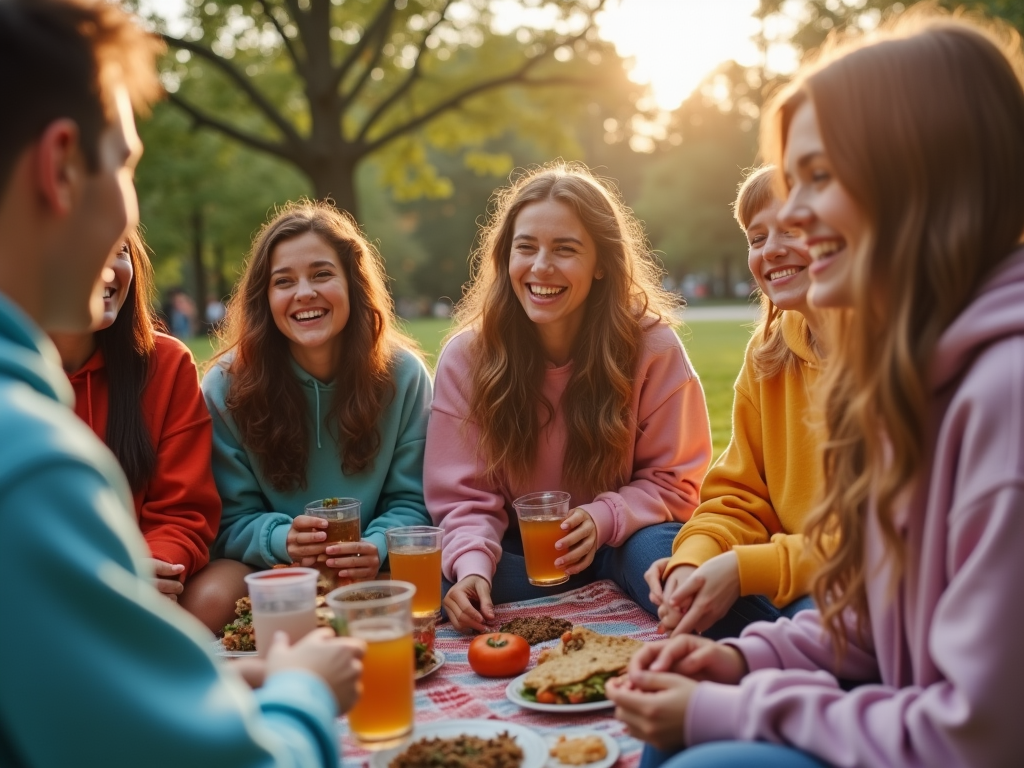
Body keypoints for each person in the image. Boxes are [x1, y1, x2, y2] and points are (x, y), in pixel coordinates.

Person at [607, 10, 1024, 768]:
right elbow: (883, 611)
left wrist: (738, 704)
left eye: (818, 179)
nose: (789, 217)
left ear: (921, 171)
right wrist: (745, 662)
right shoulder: (915, 369)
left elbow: (979, 737)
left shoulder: (1004, 396)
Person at [0, 2, 365, 766]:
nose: (129, 210)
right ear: (62, 167)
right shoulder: (29, 465)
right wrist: (301, 690)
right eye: (127, 164)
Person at [426, 162, 713, 634]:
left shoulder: (652, 348)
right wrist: (473, 569)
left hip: (624, 541)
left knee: (669, 568)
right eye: (526, 248)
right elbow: (466, 500)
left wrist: (603, 519)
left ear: (601, 263)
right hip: (524, 556)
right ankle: (581, 598)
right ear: (505, 258)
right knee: (439, 584)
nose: (541, 267)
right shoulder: (468, 357)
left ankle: (760, 646)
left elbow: (676, 482)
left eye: (565, 249)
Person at [187, 200, 433, 632]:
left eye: (322, 274)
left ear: (353, 285)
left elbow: (413, 500)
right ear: (265, 298)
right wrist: (282, 539)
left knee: (429, 591)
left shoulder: (404, 376)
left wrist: (376, 544)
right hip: (272, 568)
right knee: (208, 600)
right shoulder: (226, 387)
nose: (305, 293)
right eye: (284, 281)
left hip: (373, 563)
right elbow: (226, 520)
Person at [643, 166, 823, 640]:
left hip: (858, 586)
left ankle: (779, 649)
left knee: (824, 615)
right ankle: (771, 644)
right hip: (778, 573)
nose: (772, 250)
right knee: (649, 550)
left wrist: (742, 570)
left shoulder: (898, 360)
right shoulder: (770, 356)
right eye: (757, 237)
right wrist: (693, 563)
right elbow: (739, 497)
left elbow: (884, 545)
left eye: (792, 229)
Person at [49, 228, 220, 603]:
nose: (109, 269)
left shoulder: (167, 365)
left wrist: (147, 567)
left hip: (145, 585)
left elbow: (183, 511)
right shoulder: (14, 376)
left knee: (217, 595)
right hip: (40, 594)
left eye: (120, 251)